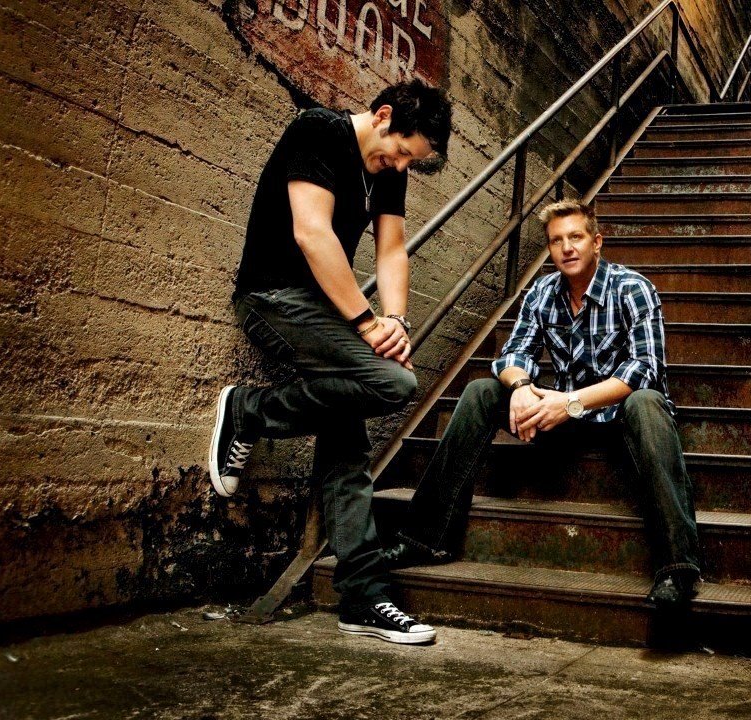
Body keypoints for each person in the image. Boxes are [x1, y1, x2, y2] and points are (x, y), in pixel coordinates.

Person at [207, 79, 451, 645]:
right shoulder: (318, 130)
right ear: (383, 115)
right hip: (273, 298)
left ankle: (362, 596)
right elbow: (312, 233)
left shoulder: (389, 171)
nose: (400, 166)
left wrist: (397, 320)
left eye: (411, 161)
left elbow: (391, 249)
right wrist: (367, 324)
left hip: (325, 313)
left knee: (347, 441)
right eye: (401, 151)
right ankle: (249, 411)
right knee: (393, 382)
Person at [383, 199, 702, 608]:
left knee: (647, 401)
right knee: (481, 392)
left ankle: (678, 567)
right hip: (562, 421)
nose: (567, 248)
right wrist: (520, 386)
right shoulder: (542, 291)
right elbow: (514, 353)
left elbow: (646, 368)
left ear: (596, 242)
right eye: (556, 241)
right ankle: (425, 539)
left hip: (621, 425)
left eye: (576, 237)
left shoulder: (632, 288)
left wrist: (570, 402)